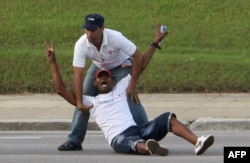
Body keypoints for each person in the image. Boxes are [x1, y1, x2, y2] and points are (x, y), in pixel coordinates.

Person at [45, 41, 214, 156]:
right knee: (133, 142)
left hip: (138, 131)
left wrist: (155, 43)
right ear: (95, 83)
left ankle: (197, 142)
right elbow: (61, 90)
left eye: (106, 76)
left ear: (113, 80)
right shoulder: (91, 102)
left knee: (168, 117)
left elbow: (141, 64)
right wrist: (53, 62)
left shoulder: (121, 88)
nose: (103, 78)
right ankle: (149, 148)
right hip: (119, 138)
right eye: (99, 77)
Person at [59, 13, 168, 151]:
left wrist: (132, 84)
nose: (89, 34)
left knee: (129, 94)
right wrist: (80, 103)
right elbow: (78, 75)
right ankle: (74, 141)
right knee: (82, 96)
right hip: (99, 66)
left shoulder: (115, 37)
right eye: (86, 30)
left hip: (121, 65)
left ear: (102, 28)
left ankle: (147, 134)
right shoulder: (81, 44)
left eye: (92, 30)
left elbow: (138, 57)